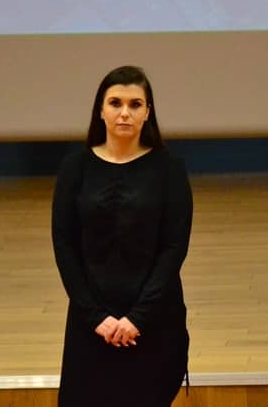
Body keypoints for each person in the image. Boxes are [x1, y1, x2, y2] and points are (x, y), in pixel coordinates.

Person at [51, 65, 192, 407]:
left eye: (135, 104)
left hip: (154, 321)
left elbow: (174, 247)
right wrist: (96, 317)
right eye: (115, 103)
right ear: (100, 111)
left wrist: (137, 318)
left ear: (148, 112)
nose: (125, 113)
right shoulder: (75, 168)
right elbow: (65, 245)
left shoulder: (170, 169)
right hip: (91, 323)